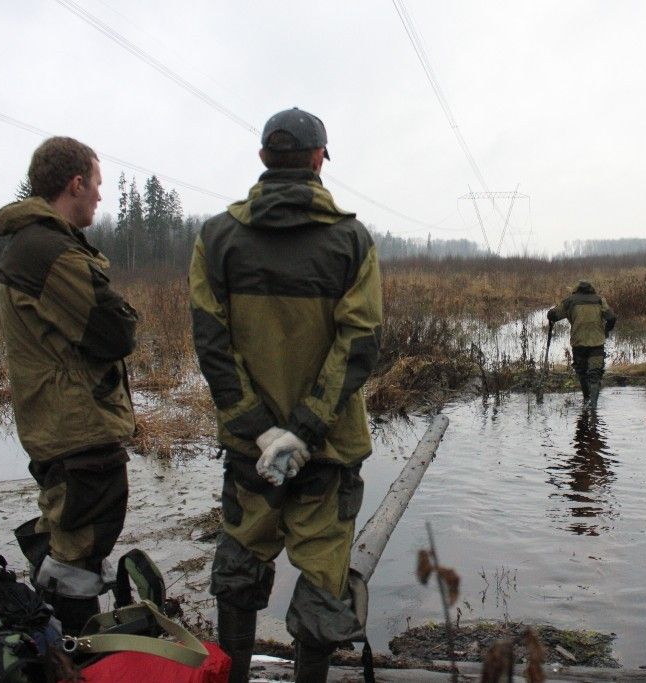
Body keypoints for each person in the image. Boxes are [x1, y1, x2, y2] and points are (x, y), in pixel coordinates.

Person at [190, 107, 382, 683]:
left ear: (263, 160)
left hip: (252, 453)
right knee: (324, 574)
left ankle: (232, 675)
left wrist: (261, 429)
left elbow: (212, 344)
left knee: (241, 563)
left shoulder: (218, 237)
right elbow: (359, 343)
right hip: (327, 452)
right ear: (319, 158)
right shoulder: (351, 240)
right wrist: (305, 429)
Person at [0, 136, 138, 635]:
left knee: (70, 538)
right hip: (75, 428)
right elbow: (116, 330)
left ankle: (56, 639)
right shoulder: (48, 249)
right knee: (79, 550)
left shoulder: (38, 244)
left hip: (59, 423)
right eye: (96, 184)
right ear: (75, 183)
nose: (99, 195)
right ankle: (70, 651)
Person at [547, 281, 616, 409]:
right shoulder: (600, 300)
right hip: (597, 343)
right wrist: (606, 331)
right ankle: (593, 408)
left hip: (579, 344)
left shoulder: (570, 301)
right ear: (591, 289)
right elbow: (611, 317)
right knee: (595, 375)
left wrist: (550, 313)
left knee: (582, 373)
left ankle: (586, 400)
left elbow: (553, 315)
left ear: (576, 290)